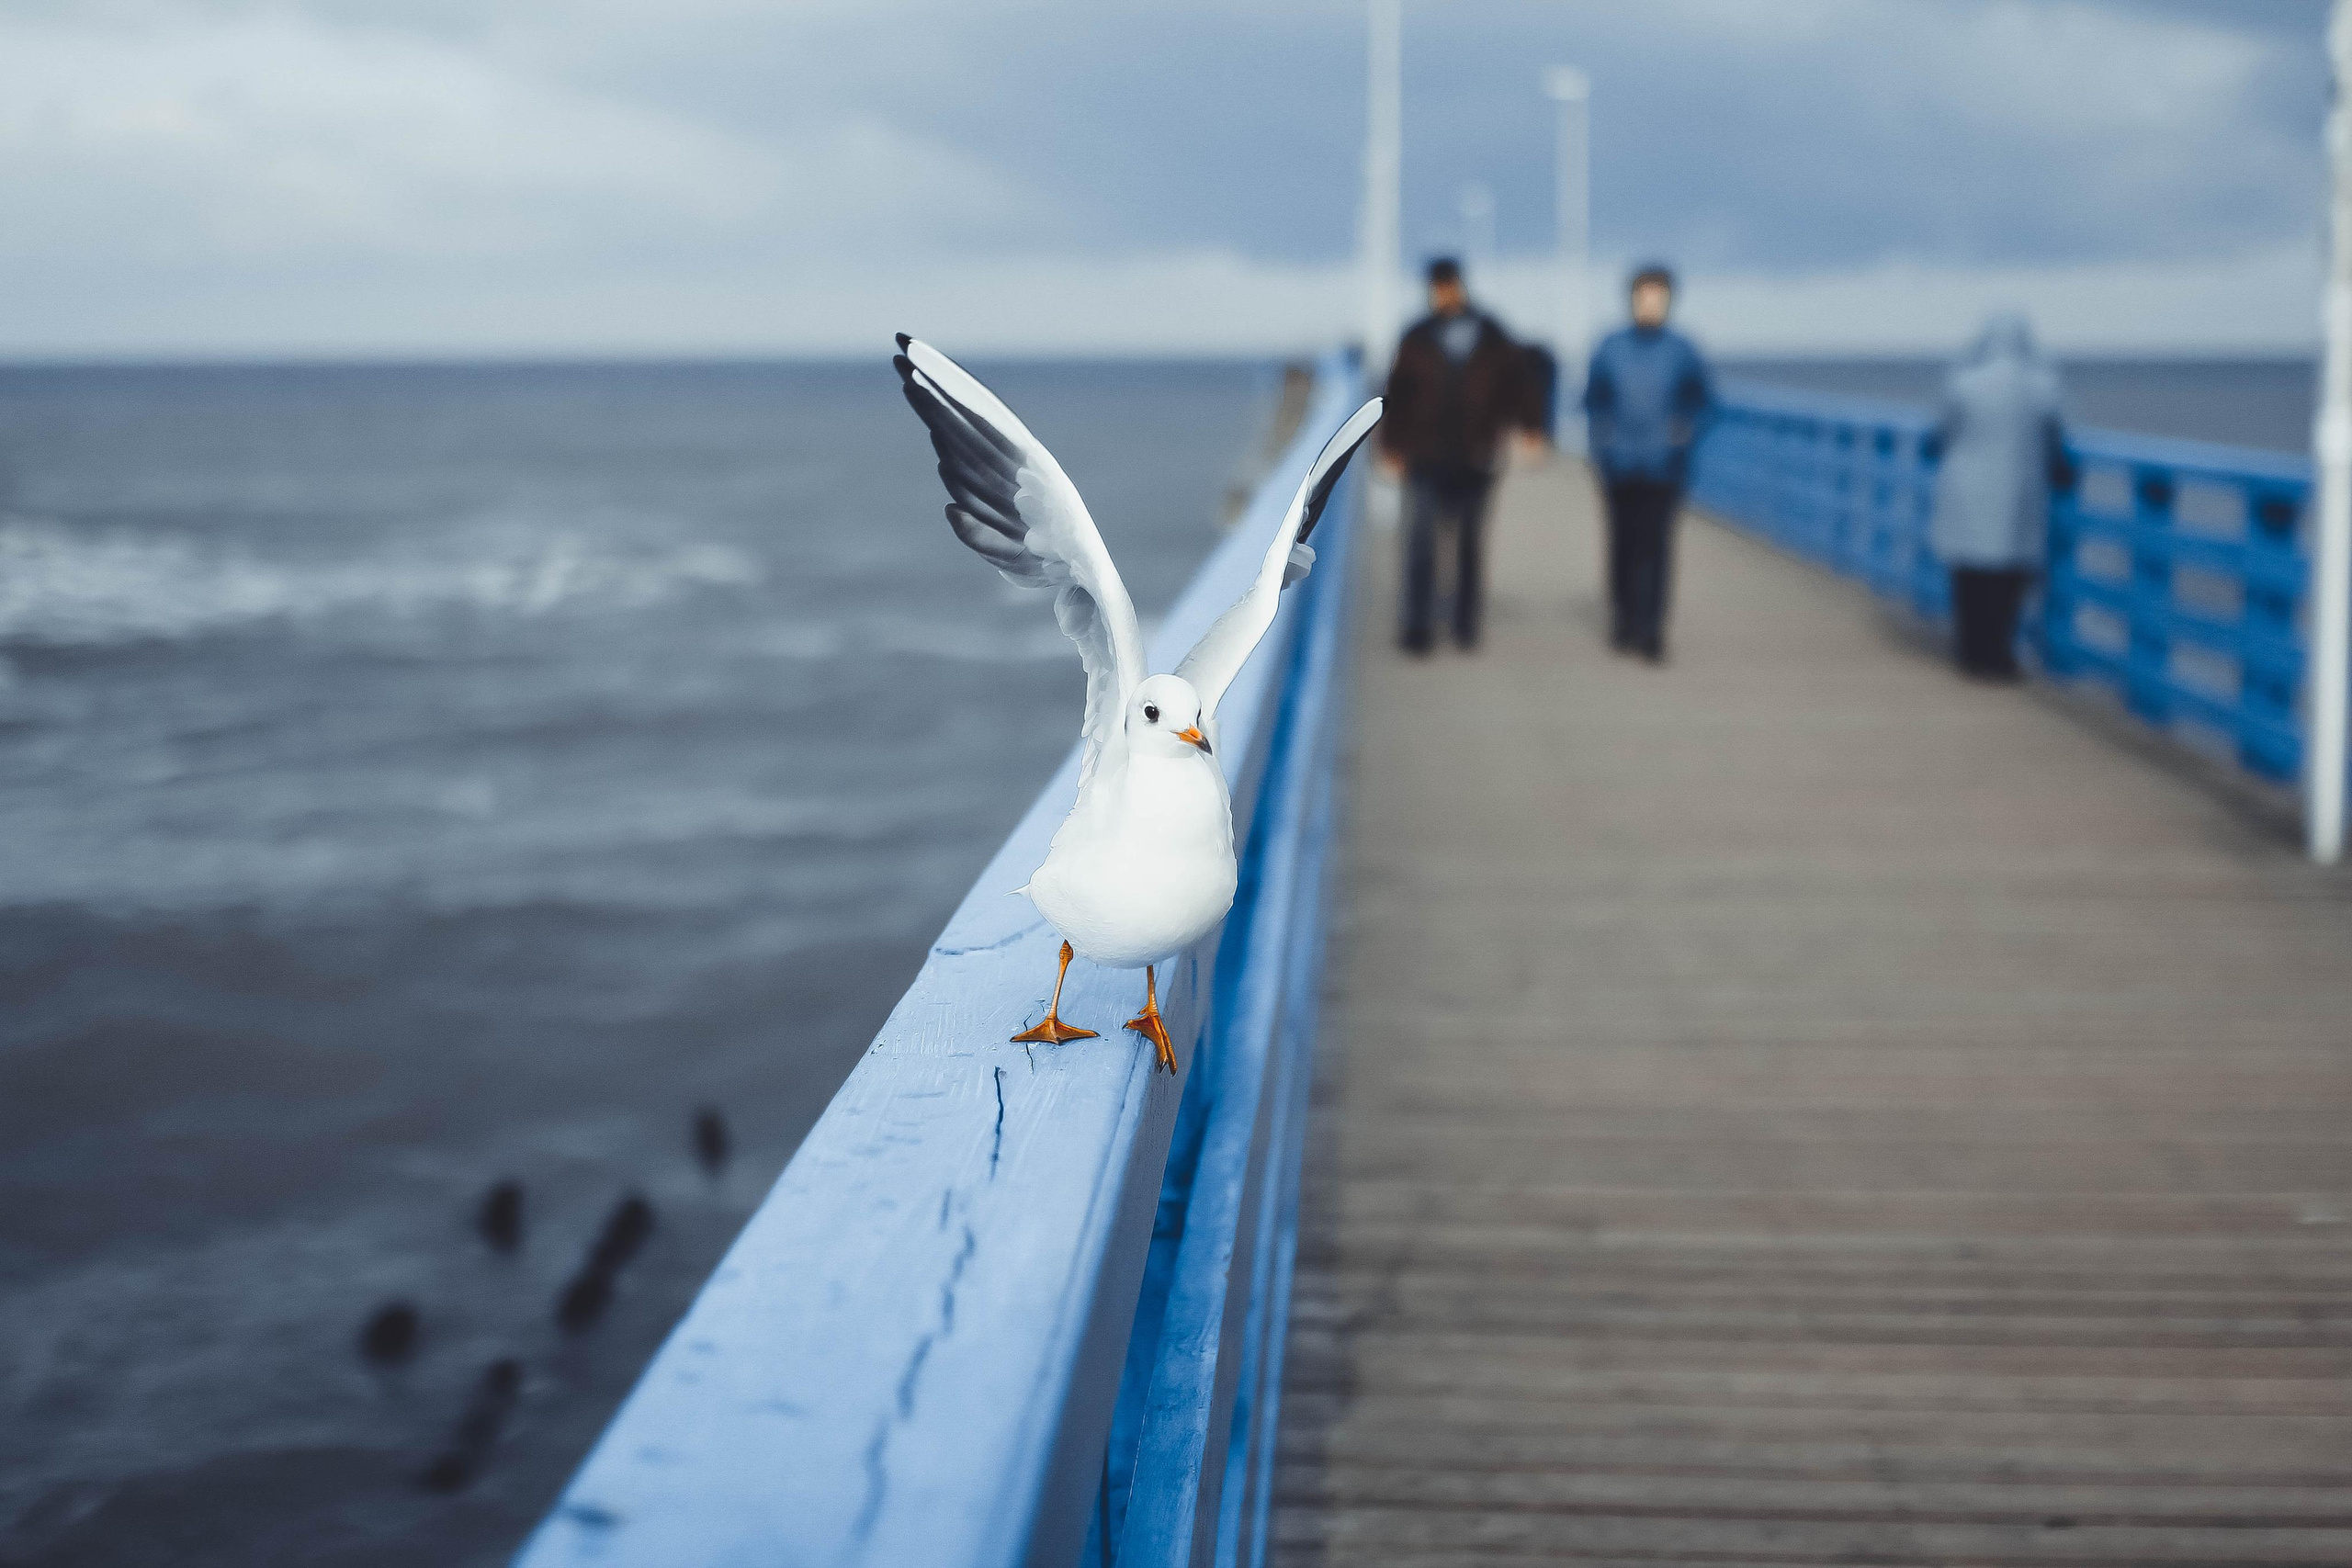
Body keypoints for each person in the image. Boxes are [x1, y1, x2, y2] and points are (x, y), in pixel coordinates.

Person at [1375, 257, 1545, 655]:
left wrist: (1531, 428)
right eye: (1437, 287)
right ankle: (1417, 626)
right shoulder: (1416, 336)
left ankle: (1465, 624)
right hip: (1424, 455)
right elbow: (1397, 394)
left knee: (1469, 544)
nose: (1443, 294)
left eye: (1448, 285)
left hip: (1476, 455)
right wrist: (1391, 448)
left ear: (1459, 286)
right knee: (1420, 543)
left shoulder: (1491, 333)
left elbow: (1519, 383)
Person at [1582, 265, 1713, 662]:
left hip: (1665, 466)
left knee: (1657, 548)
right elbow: (1593, 400)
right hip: (1619, 465)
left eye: (1658, 298)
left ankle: (1653, 630)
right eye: (1644, 298)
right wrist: (1602, 445)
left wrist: (1684, 434)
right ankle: (1624, 622)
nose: (1650, 306)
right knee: (1622, 545)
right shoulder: (1611, 347)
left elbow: (1704, 402)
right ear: (1633, 300)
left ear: (1669, 301)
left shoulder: (1682, 350)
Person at [1929, 314, 2067, 682]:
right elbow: (2055, 436)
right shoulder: (2042, 383)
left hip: (1965, 487)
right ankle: (1999, 654)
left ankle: (1970, 651)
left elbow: (1942, 432)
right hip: (2019, 489)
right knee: (2010, 579)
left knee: (1968, 576)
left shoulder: (1963, 381)